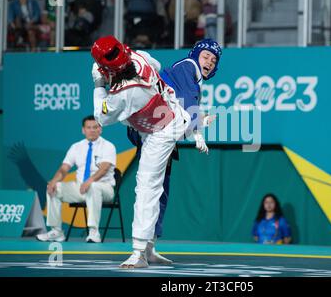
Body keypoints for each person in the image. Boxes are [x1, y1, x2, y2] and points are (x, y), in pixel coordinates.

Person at [91, 35, 208, 268]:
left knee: (147, 187)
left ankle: (139, 253)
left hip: (161, 132)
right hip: (165, 114)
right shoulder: (140, 57)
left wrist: (98, 85)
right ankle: (150, 248)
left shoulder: (126, 93)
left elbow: (100, 117)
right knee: (156, 187)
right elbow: (155, 66)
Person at [127, 38, 222, 264]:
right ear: (196, 54)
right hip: (149, 129)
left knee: (161, 190)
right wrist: (197, 132)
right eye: (206, 56)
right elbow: (187, 103)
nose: (209, 61)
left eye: (213, 59)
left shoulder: (192, 75)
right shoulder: (188, 66)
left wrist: (197, 125)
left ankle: (149, 247)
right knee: (149, 188)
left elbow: (179, 111)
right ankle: (138, 250)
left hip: (162, 132)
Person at [36, 115, 117, 243]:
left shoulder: (108, 146)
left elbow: (104, 169)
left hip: (104, 188)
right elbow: (64, 168)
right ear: (83, 130)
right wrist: (53, 181)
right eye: (89, 127)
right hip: (80, 187)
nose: (92, 130)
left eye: (95, 127)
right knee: (53, 188)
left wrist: (89, 181)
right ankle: (56, 231)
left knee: (93, 186)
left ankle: (93, 232)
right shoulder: (76, 147)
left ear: (100, 129)